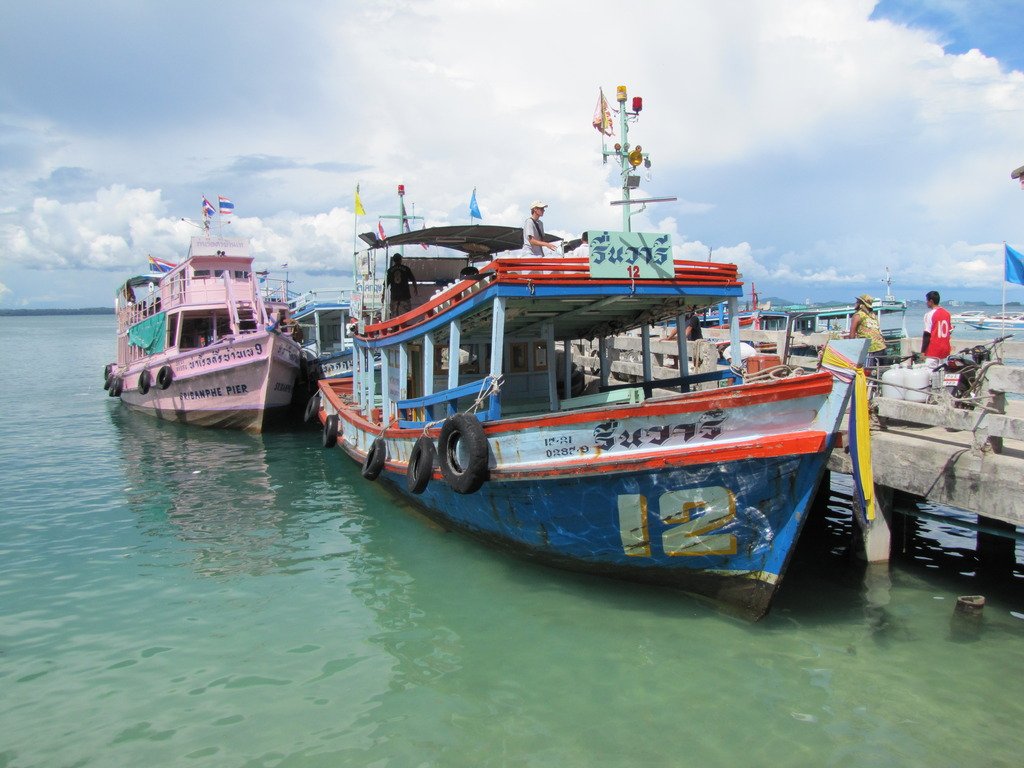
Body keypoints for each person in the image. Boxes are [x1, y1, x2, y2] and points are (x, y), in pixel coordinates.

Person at [847, 293, 886, 371]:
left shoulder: (858, 315)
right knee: (878, 373)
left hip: (870, 348)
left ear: (861, 304)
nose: (855, 303)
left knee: (866, 372)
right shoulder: (872, 315)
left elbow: (852, 334)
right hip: (882, 347)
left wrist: (852, 349)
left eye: (857, 302)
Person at [921, 290, 951, 368]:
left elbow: (927, 334)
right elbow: (949, 331)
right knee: (943, 373)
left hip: (933, 350)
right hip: (945, 349)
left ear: (931, 301)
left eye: (927, 300)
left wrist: (923, 351)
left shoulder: (929, 314)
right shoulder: (947, 313)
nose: (926, 302)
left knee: (930, 373)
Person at [383, 253, 417, 317]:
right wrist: (415, 289)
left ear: (393, 260)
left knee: (394, 315)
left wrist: (383, 295)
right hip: (405, 296)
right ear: (400, 260)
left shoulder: (390, 271)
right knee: (406, 315)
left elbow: (385, 285)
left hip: (394, 296)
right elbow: (413, 279)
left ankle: (396, 326)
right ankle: (403, 326)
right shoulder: (406, 269)